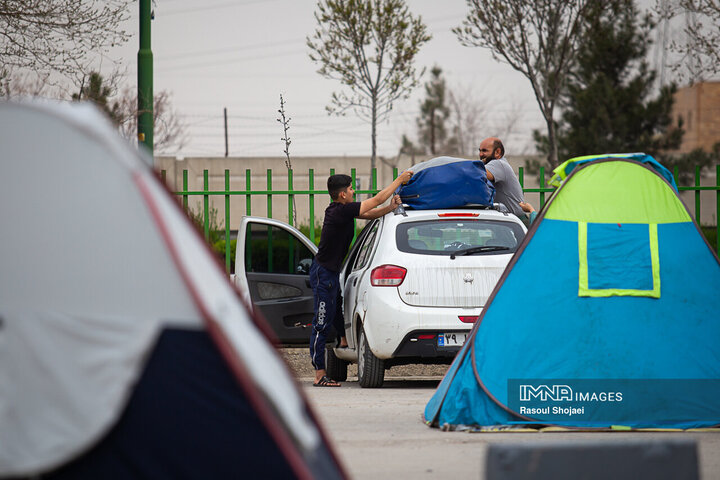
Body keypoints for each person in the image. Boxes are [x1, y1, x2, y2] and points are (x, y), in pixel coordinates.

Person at [310, 170, 413, 387]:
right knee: (321, 323)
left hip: (330, 273)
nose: (353, 191)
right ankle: (320, 373)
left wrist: (391, 208)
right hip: (323, 273)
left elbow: (370, 213)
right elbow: (375, 200)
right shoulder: (339, 212)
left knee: (336, 307)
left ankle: (343, 341)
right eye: (350, 189)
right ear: (343, 195)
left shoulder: (344, 211)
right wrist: (399, 180)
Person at [478, 137, 527, 222]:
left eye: (485, 151)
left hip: (515, 221)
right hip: (508, 220)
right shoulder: (497, 164)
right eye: (480, 151)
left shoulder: (498, 163)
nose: (481, 154)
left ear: (497, 152)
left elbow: (478, 174)